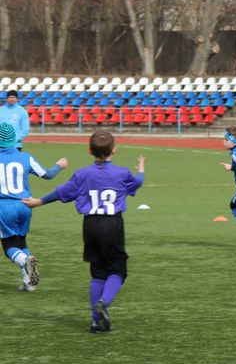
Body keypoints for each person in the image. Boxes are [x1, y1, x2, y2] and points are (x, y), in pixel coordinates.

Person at [23, 131, 142, 333]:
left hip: (90, 224)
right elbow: (136, 183)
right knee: (118, 270)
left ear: (89, 151)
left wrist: (39, 202)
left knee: (97, 272)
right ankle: (104, 302)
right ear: (114, 150)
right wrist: (141, 170)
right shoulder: (122, 172)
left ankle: (97, 322)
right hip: (112, 223)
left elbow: (61, 192)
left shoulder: (82, 174)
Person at [0, 122, 66, 292]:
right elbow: (48, 175)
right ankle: (28, 281)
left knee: (9, 246)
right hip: (26, 205)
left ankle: (25, 261)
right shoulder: (26, 157)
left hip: (4, 206)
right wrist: (59, 165)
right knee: (21, 241)